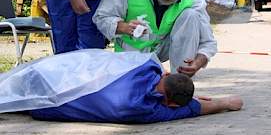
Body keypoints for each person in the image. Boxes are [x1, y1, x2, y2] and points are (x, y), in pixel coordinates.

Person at [0, 50, 243, 123]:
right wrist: (224, 103)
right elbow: (192, 109)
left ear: (166, 73)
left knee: (9, 86)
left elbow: (104, 60)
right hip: (47, 103)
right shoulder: (142, 109)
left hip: (54, 73)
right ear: (168, 103)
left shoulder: (146, 64)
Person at [93, 0, 217, 77]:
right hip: (132, 52)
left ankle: (179, 81)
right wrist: (123, 27)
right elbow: (101, 17)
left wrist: (198, 63)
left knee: (191, 16)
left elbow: (208, 42)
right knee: (139, 90)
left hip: (163, 47)